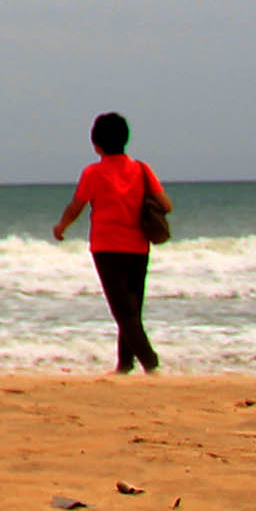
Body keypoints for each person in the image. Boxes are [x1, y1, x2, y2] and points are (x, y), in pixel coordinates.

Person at [51, 111, 171, 375]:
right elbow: (166, 204)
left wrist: (61, 227)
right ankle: (124, 364)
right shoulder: (142, 169)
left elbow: (76, 207)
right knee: (131, 310)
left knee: (123, 312)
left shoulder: (93, 173)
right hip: (138, 247)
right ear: (125, 139)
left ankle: (150, 363)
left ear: (96, 144)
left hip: (107, 248)